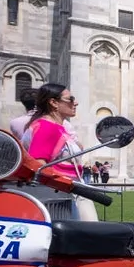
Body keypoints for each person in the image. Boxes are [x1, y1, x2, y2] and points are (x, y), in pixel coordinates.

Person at [24, 83, 99, 221]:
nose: (75, 103)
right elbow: (39, 166)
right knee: (88, 236)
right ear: (54, 103)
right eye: (70, 99)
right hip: (60, 195)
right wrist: (67, 184)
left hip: (69, 191)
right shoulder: (47, 127)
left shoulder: (54, 127)